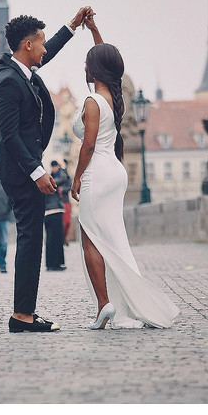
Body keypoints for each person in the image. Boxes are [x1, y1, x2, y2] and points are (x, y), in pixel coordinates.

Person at [70, 16, 179, 330]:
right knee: (115, 241)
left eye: (87, 63)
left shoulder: (92, 102)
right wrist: (93, 31)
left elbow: (87, 146)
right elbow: (107, 61)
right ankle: (132, 304)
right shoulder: (114, 101)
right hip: (115, 173)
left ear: (93, 71)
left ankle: (105, 305)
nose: (84, 67)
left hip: (96, 173)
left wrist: (76, 178)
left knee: (90, 238)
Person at [0, 7, 91, 333]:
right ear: (28, 45)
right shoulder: (8, 81)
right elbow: (8, 136)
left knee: (32, 239)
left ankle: (25, 313)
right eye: (42, 43)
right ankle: (22, 316)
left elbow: (49, 53)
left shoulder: (22, 70)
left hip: (25, 168)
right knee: (30, 238)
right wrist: (37, 172)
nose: (45, 49)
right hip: (21, 172)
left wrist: (73, 25)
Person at [44, 182, 66, 272]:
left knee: (51, 238)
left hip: (48, 211)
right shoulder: (50, 180)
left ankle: (52, 263)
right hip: (54, 211)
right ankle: (55, 263)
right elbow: (64, 178)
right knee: (55, 238)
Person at [50, 160, 72, 240]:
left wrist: (63, 189)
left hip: (65, 201)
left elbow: (70, 186)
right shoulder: (50, 177)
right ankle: (61, 239)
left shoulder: (64, 175)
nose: (54, 168)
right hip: (56, 204)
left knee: (67, 222)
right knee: (59, 224)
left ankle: (63, 238)